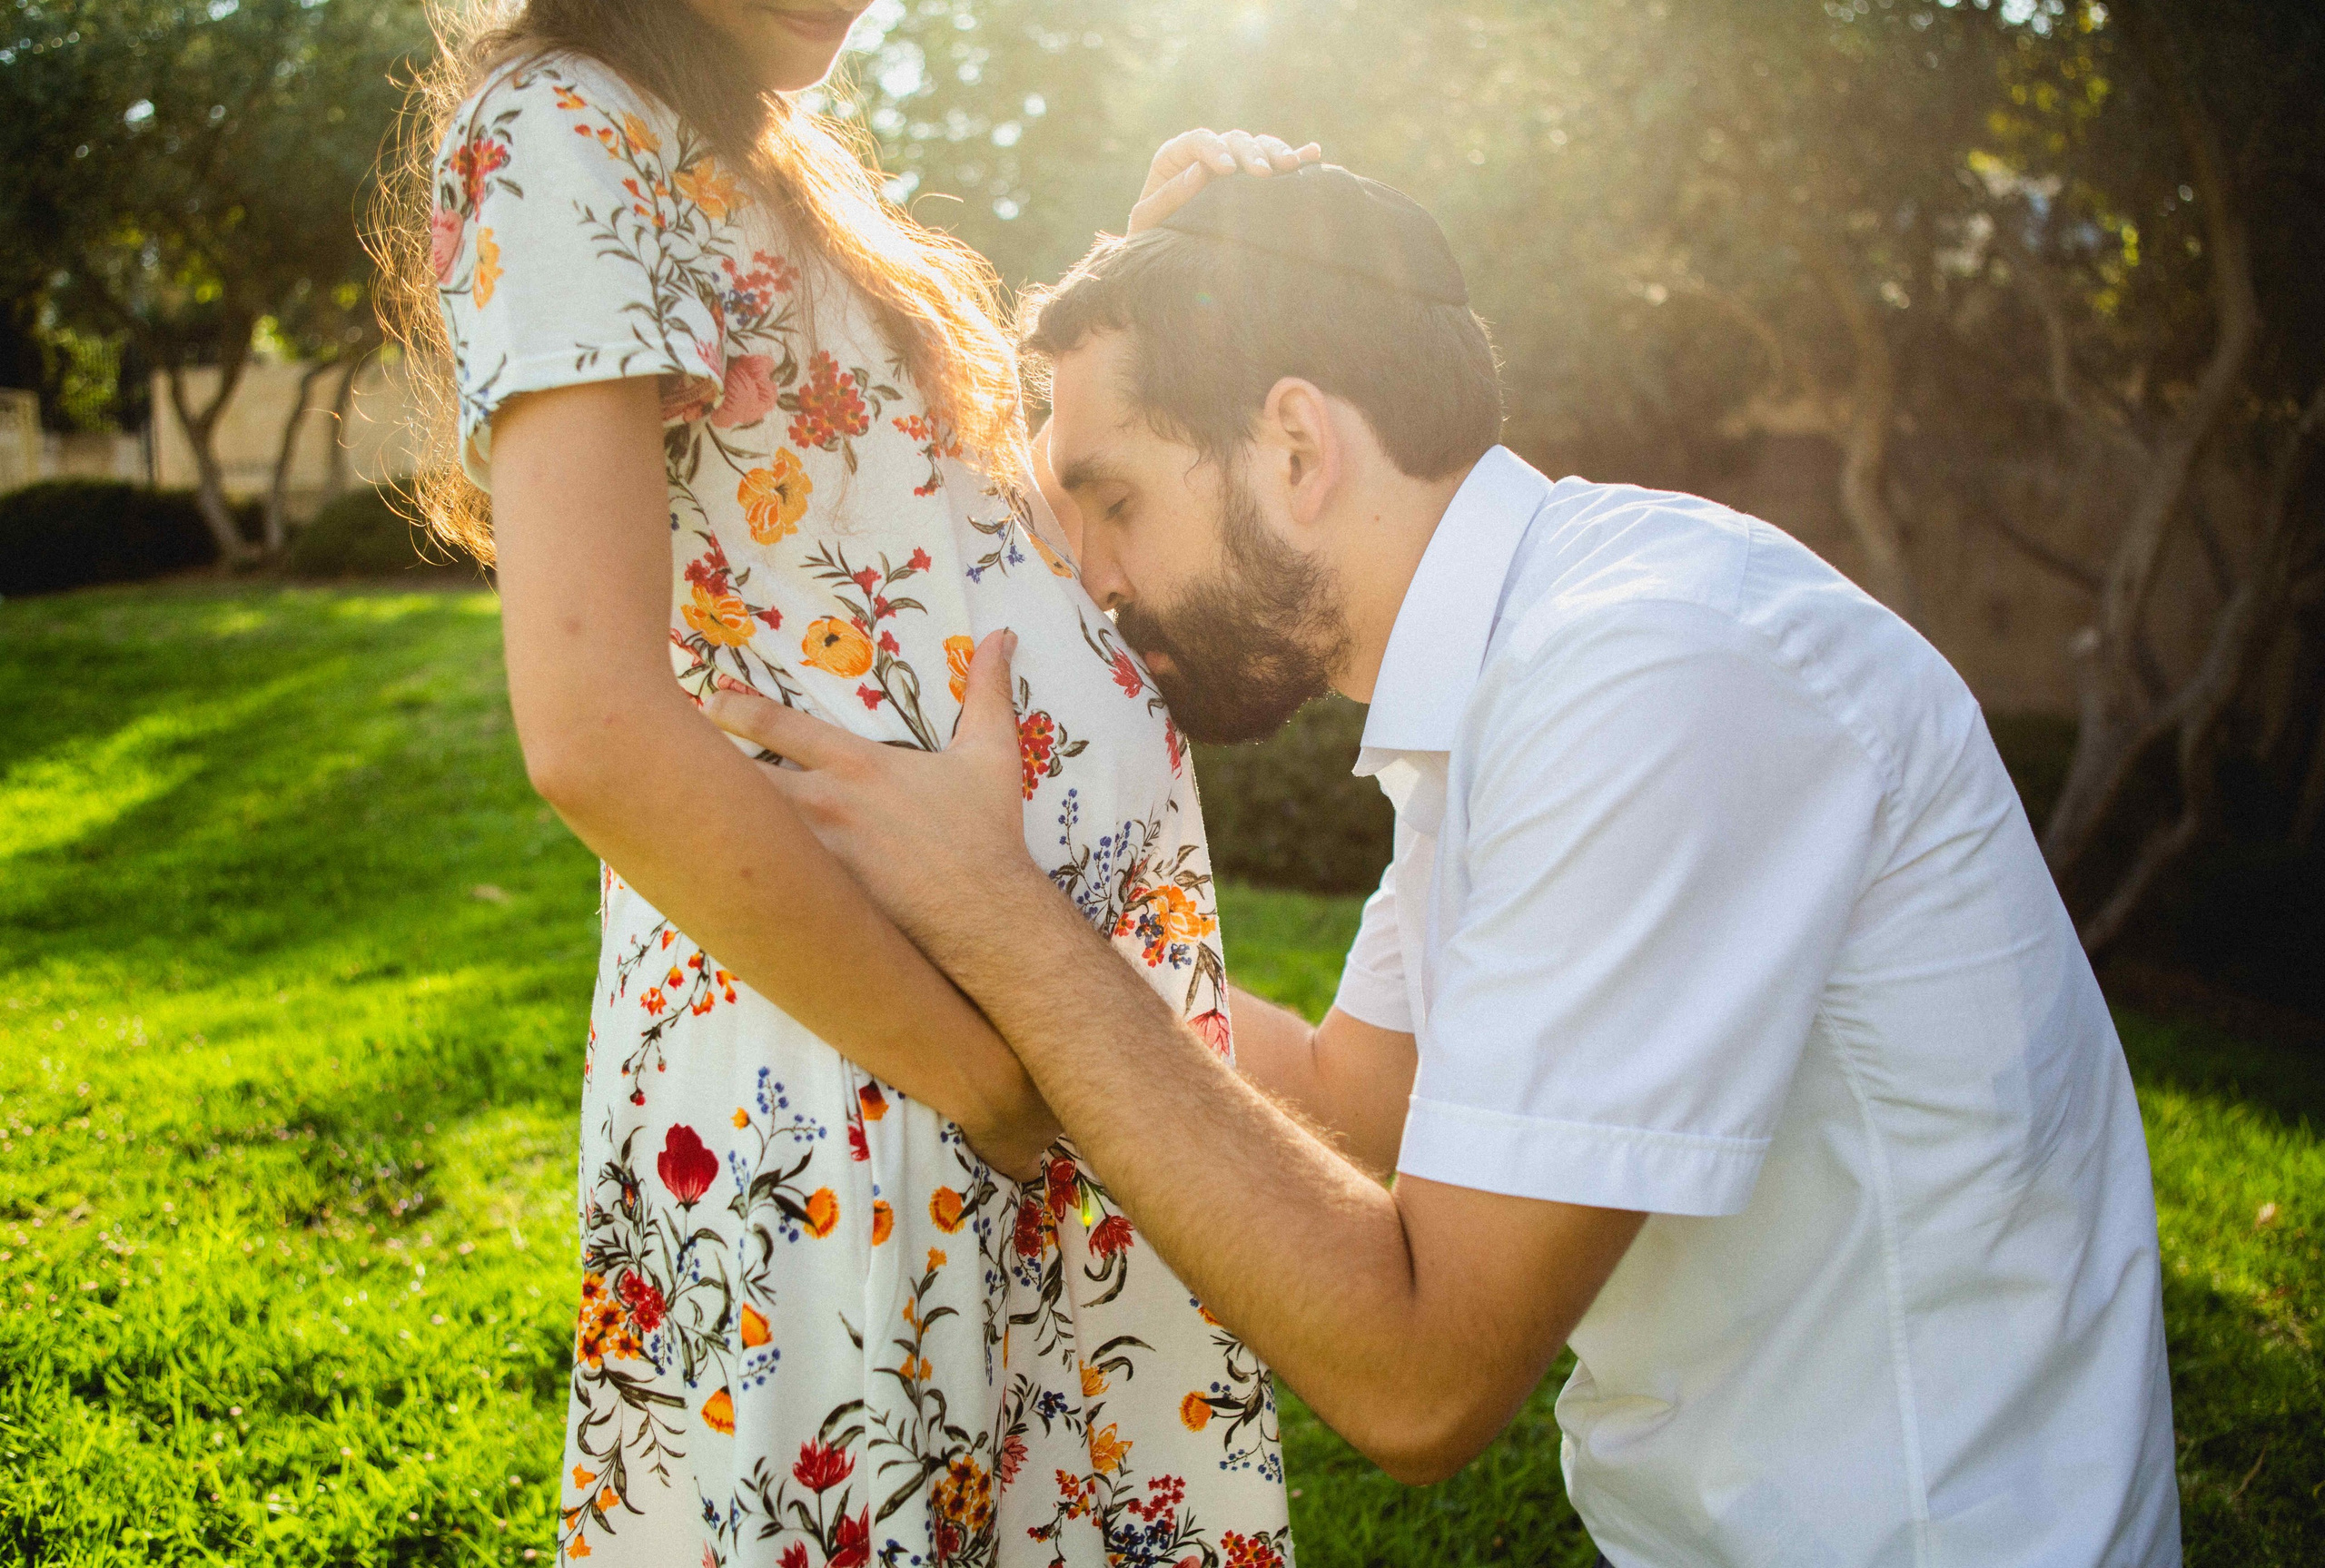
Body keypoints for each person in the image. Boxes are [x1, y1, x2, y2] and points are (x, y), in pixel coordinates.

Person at [705, 164, 2184, 1567]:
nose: (1088, 569)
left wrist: (1005, 921)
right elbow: (1356, 1107)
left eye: (1116, 502)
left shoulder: (1647, 670)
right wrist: (971, 909)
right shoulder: (1514, 665)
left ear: (1295, 449)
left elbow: (1419, 1378)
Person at [391, 3, 1316, 1563]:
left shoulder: (766, 148)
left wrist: (1151, 273)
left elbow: (907, 532)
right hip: (862, 1041)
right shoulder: (560, 127)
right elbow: (594, 728)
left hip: (1004, 1019)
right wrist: (975, 1068)